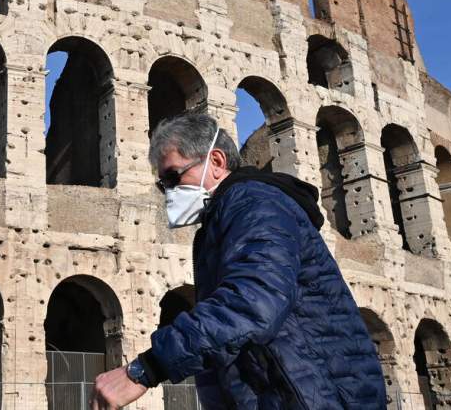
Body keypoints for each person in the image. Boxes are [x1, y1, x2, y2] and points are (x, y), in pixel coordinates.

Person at [91, 113, 386, 409]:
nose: (169, 192)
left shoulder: (256, 204)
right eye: (162, 185)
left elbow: (252, 302)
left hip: (317, 398)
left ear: (216, 162)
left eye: (173, 177)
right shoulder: (227, 217)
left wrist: (145, 370)